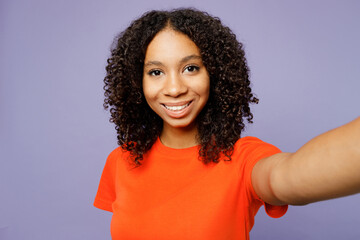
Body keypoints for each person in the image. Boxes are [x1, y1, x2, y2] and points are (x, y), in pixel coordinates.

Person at [94, 8, 360, 240]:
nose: (174, 88)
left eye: (191, 68)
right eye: (156, 72)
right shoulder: (121, 160)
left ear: (215, 74)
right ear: (135, 83)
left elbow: (290, 175)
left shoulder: (242, 159)